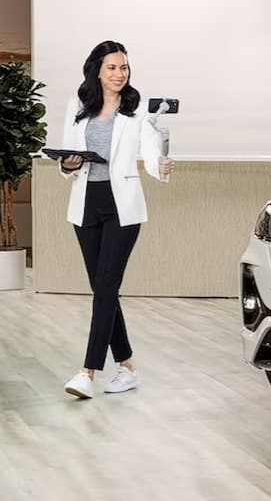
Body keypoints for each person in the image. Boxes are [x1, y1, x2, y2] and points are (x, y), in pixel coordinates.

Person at [57, 40, 175, 399]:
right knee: (103, 289)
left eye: (123, 67)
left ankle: (87, 372)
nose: (119, 74)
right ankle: (127, 368)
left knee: (106, 286)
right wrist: (68, 163)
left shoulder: (136, 110)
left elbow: (152, 151)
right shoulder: (78, 106)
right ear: (97, 70)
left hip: (122, 206)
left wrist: (160, 166)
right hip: (86, 204)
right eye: (112, 67)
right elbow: (66, 156)